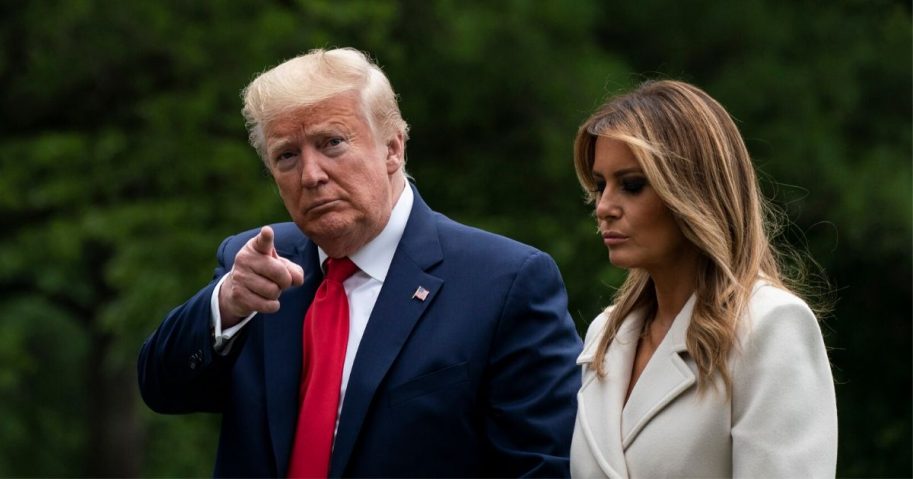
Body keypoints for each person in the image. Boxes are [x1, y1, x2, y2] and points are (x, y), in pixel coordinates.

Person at [138, 47, 582, 478]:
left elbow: (543, 466)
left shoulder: (504, 282)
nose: (310, 175)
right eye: (287, 156)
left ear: (393, 148)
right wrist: (227, 302)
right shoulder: (256, 266)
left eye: (331, 143)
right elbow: (163, 389)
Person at [568, 80, 838, 478]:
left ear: (692, 190)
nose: (604, 207)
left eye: (632, 185)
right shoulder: (604, 335)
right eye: (599, 185)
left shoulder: (769, 325)